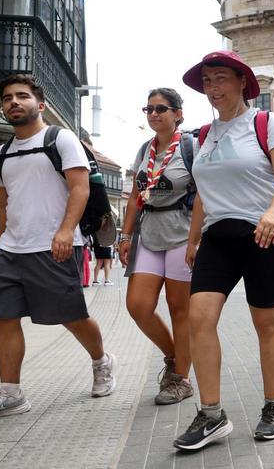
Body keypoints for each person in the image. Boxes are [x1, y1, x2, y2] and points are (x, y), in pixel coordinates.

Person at [0, 74, 115, 422]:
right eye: (7, 98)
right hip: (10, 249)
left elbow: (81, 189)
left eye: (21, 96)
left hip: (54, 246)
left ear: (40, 104)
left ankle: (102, 361)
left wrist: (66, 231)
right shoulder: (1, 153)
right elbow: (2, 205)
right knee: (4, 318)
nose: (13, 102)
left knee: (70, 316)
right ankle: (10, 393)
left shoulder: (60, 139)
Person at [174, 51, 274, 450]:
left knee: (266, 323)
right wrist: (193, 239)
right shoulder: (202, 137)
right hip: (218, 235)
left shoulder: (265, 122)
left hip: (267, 233)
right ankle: (212, 415)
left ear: (242, 81)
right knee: (199, 317)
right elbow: (202, 195)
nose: (212, 87)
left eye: (221, 78)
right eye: (206, 81)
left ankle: (273, 406)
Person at [118, 88, 196, 407]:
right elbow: (138, 196)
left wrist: (197, 238)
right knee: (138, 305)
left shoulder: (191, 147)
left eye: (161, 108)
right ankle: (174, 356)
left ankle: (181, 379)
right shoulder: (144, 151)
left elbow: (205, 192)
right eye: (148, 109)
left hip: (181, 232)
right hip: (149, 232)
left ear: (178, 114)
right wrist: (124, 236)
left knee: (180, 310)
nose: (154, 114)